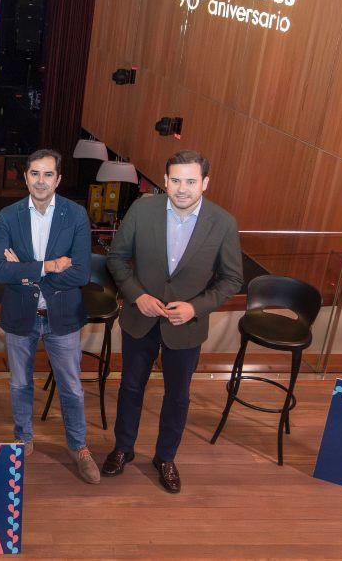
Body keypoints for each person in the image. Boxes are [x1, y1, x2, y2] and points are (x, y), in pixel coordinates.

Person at [102, 150, 243, 493]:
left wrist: (196, 308)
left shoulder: (223, 223)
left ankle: (166, 457)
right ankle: (123, 449)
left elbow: (231, 280)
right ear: (164, 181)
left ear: (205, 184)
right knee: (131, 388)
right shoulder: (142, 209)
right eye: (176, 180)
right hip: (141, 318)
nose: (182, 188)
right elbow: (117, 259)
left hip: (187, 326)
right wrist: (138, 295)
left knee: (177, 396)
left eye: (191, 181)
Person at [0, 149, 98, 483]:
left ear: (58, 179)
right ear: (25, 177)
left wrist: (23, 270)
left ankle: (79, 447)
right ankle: (23, 438)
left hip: (63, 315)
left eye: (48, 174)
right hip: (20, 314)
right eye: (34, 174)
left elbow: (81, 274)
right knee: (20, 383)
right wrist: (48, 266)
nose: (41, 181)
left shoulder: (76, 214)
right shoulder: (8, 216)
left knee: (72, 387)